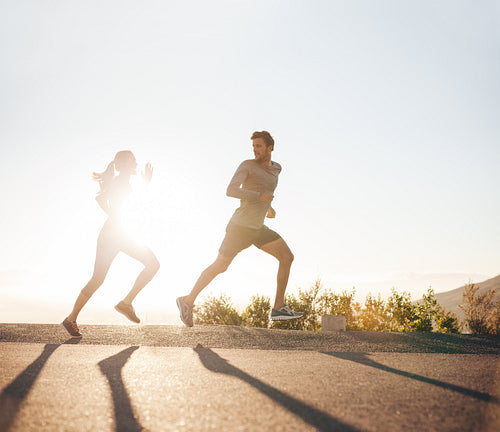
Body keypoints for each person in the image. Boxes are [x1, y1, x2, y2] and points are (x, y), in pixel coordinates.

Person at [176, 131, 302, 327]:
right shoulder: (247, 166)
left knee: (287, 257)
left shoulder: (277, 168)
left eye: (259, 146)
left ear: (270, 148)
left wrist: (267, 208)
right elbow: (231, 190)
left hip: (258, 227)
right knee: (221, 266)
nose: (256, 150)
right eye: (254, 147)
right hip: (240, 227)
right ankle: (187, 300)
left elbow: (266, 191)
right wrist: (259, 197)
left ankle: (278, 307)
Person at [61, 150, 160, 337]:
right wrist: (146, 185)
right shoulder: (121, 182)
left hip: (115, 233)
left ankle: (71, 318)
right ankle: (125, 303)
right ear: (124, 165)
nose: (136, 164)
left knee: (97, 279)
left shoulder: (119, 181)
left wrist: (112, 215)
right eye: (133, 161)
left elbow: (99, 198)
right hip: (118, 235)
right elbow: (138, 205)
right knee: (153, 264)